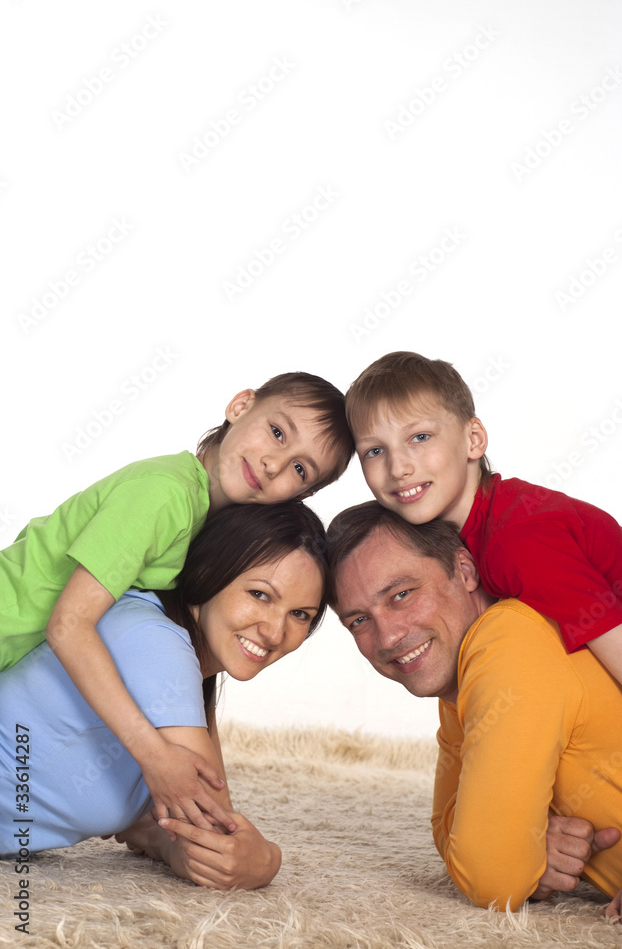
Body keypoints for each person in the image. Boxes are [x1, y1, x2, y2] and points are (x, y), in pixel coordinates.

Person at [0, 370, 353, 831]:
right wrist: (154, 756)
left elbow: (194, 675)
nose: (274, 464)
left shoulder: (205, 522)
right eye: (277, 432)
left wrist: (219, 803)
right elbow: (68, 626)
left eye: (300, 469)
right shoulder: (165, 495)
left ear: (301, 496)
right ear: (241, 405)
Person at [0, 500, 329, 891]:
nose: (275, 632)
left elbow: (181, 837)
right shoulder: (157, 644)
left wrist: (161, 838)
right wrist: (269, 860)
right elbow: (219, 836)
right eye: (260, 594)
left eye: (300, 615)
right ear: (208, 572)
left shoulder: (187, 676)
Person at [326, 501, 622, 913]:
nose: (388, 636)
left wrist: (518, 854)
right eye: (358, 620)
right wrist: (528, 848)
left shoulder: (508, 642)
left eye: (401, 594)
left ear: (465, 571)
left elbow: (492, 876)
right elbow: (448, 829)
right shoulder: (465, 678)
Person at [345, 351, 622, 680]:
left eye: (419, 437)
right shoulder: (473, 528)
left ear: (473, 439)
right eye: (375, 451)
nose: (398, 468)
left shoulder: (517, 541)